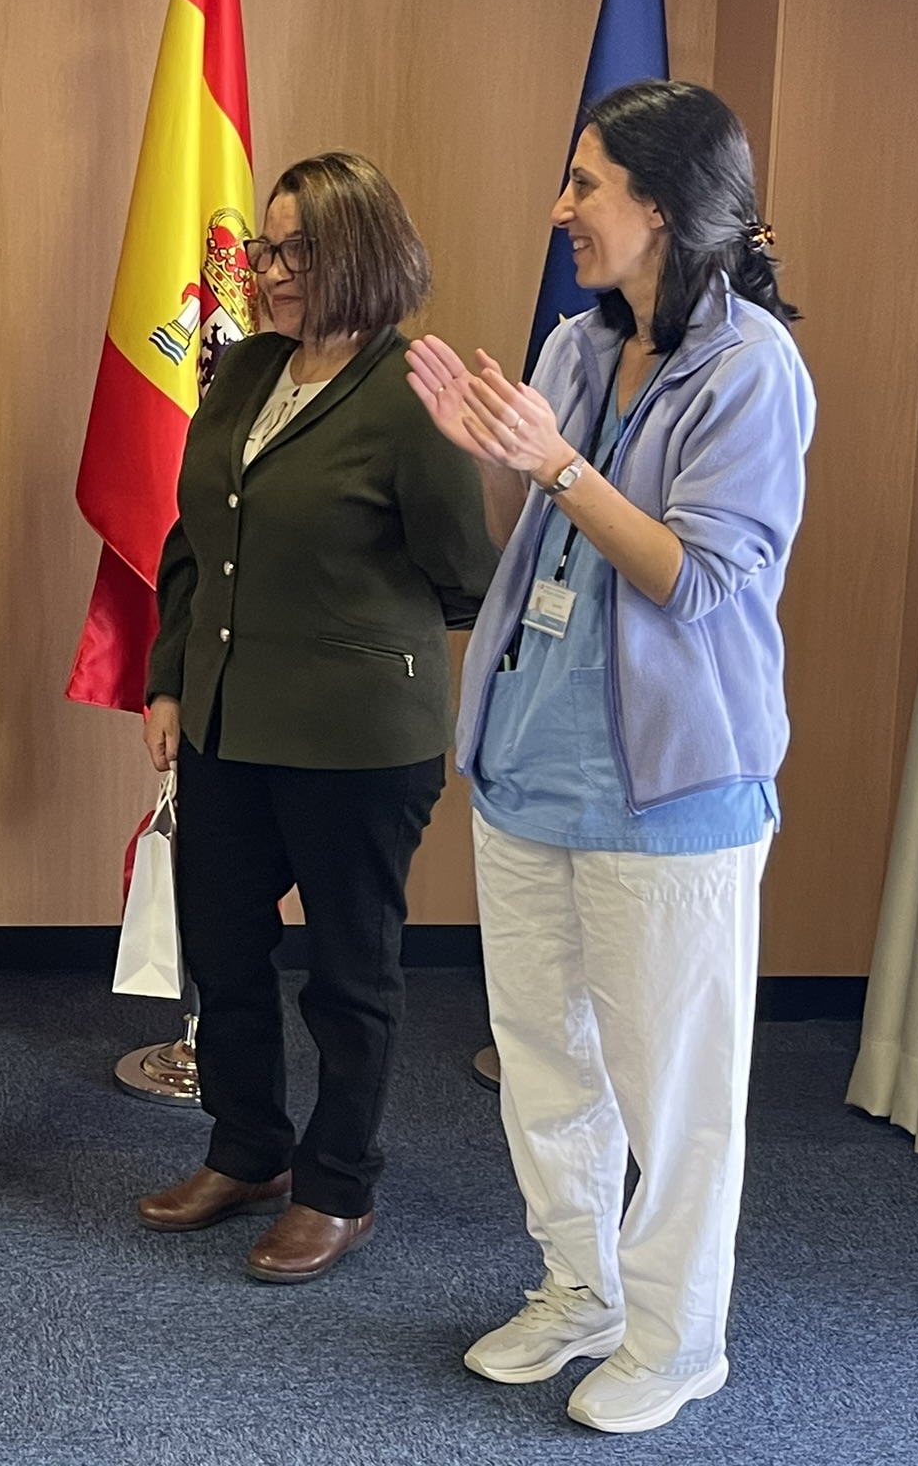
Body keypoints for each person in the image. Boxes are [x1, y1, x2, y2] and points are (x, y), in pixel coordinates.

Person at [406, 79, 813, 1433]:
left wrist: (557, 466)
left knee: (672, 1092)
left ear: (664, 205)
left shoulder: (752, 370)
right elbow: (532, 533)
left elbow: (698, 582)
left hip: (672, 799)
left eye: (585, 184)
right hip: (531, 770)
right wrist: (497, 454)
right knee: (544, 1061)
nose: (560, 208)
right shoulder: (579, 344)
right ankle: (578, 1289)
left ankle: (678, 1339)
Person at [136, 152, 497, 1283]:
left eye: (298, 249)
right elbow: (194, 538)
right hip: (225, 726)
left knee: (349, 973)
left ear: (362, 255)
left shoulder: (410, 394)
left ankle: (337, 1187)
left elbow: (464, 574)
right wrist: (167, 679)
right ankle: (247, 1150)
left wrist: (344, 627)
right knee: (224, 948)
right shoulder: (245, 368)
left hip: (356, 743)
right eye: (267, 247)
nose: (271, 270)